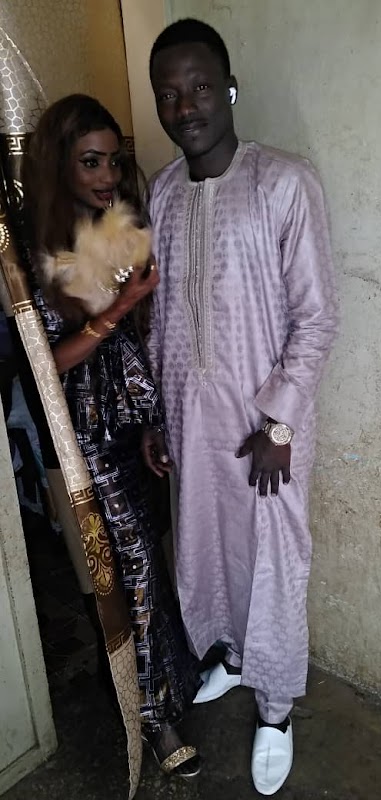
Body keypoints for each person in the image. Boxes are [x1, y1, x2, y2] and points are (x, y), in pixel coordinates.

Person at [145, 18, 338, 795]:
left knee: (271, 560)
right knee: (207, 549)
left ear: (228, 89)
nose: (184, 106)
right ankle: (229, 656)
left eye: (199, 87)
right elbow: (159, 318)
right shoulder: (161, 193)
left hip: (266, 431)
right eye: (168, 93)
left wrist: (280, 422)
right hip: (191, 421)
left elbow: (317, 318)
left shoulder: (283, 183)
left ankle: (277, 708)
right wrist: (158, 415)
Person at [22, 94, 201, 779]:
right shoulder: (35, 250)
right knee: (129, 577)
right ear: (59, 165)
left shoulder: (117, 226)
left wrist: (152, 419)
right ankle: (152, 720)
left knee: (151, 563)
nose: (107, 176)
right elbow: (48, 364)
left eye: (113, 161)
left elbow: (137, 341)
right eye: (90, 162)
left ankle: (165, 689)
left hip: (130, 425)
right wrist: (118, 304)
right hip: (84, 443)